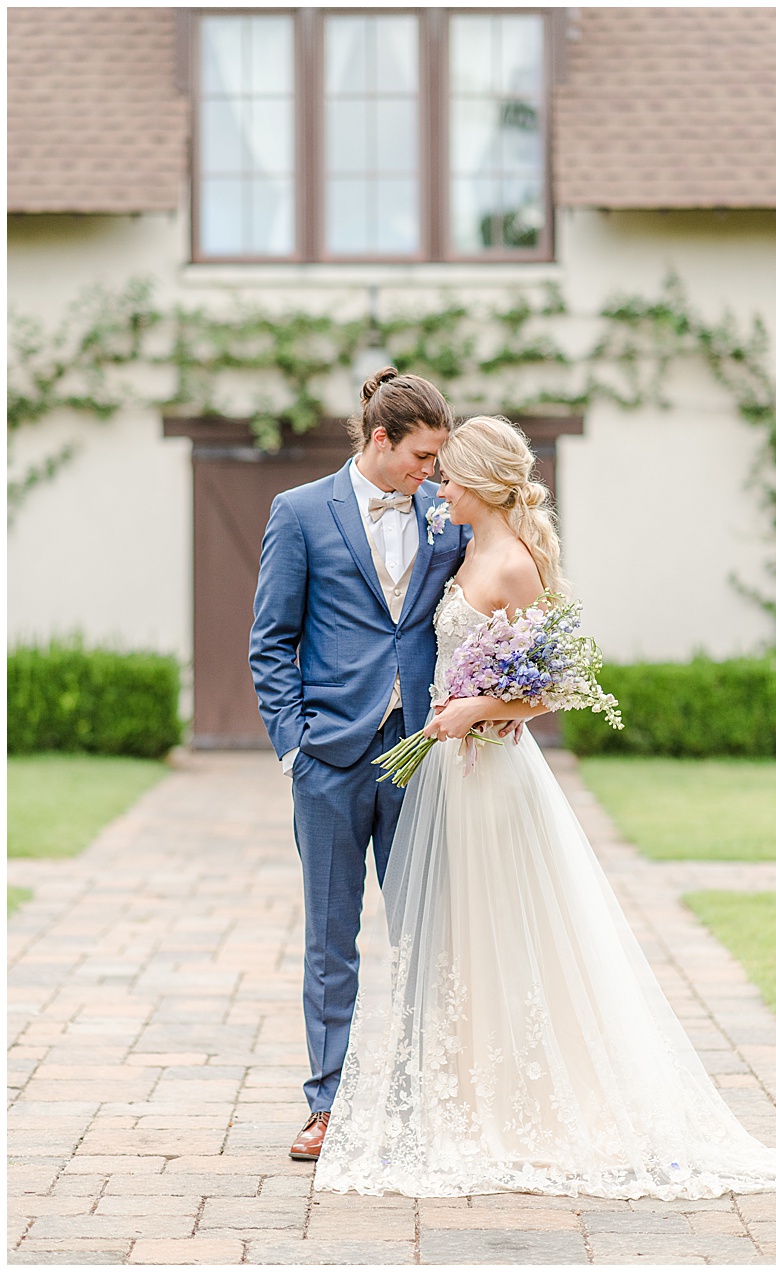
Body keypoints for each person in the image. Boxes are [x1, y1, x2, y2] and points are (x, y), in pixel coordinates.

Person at [313, 414, 776, 1199]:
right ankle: (465, 1099)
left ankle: (526, 1107)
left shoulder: (517, 565)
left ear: (485, 484)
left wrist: (474, 710)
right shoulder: (463, 549)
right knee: (458, 940)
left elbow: (551, 687)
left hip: (491, 773)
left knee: (502, 932)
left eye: (452, 476)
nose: (441, 488)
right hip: (449, 775)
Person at [251, 368, 471, 1162]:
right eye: (422, 455)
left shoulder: (449, 521)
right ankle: (328, 1105)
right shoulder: (300, 512)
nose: (433, 472)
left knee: (425, 931)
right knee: (330, 937)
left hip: (419, 752)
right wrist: (293, 745)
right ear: (381, 440)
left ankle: (420, 1101)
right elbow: (271, 639)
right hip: (329, 758)